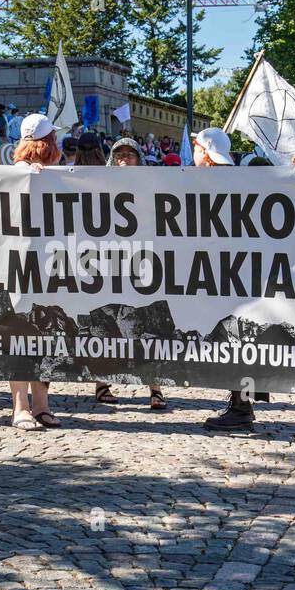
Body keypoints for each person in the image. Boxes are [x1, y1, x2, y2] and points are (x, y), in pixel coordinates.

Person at [192, 128, 271, 431]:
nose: (194, 152)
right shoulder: (230, 179)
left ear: (206, 153)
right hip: (227, 271)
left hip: (230, 274)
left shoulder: (218, 182)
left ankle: (242, 406)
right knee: (236, 339)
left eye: (197, 147)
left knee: (235, 338)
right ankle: (241, 403)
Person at [92, 136, 167, 409]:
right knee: (107, 325)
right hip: (110, 262)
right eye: (119, 154)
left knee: (145, 326)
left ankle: (156, 388)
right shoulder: (101, 184)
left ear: (140, 157)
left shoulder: (152, 186)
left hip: (143, 263)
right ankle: (102, 384)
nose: (125, 159)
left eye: (130, 154)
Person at [8, 114, 63, 430]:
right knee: (19, 333)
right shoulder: (14, 175)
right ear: (47, 144)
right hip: (18, 267)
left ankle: (42, 405)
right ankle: (20, 406)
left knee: (46, 334)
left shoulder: (54, 174)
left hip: (49, 266)